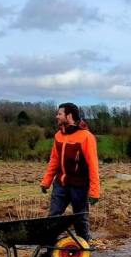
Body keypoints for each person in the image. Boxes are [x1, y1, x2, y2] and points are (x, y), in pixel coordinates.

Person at [39, 102, 100, 240]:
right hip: (60, 184)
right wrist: (46, 181)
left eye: (60, 114)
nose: (57, 116)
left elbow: (93, 165)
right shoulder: (58, 136)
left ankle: (84, 247)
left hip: (79, 186)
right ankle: (50, 250)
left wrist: (94, 192)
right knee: (52, 217)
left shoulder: (86, 137)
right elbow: (54, 160)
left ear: (69, 116)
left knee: (80, 219)